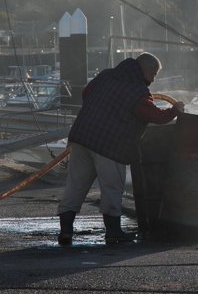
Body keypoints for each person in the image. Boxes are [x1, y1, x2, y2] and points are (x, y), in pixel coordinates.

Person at [57, 52, 185, 245]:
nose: (154, 78)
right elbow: (156, 116)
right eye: (153, 73)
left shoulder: (106, 74)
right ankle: (113, 231)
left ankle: (66, 230)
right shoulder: (137, 91)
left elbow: (85, 94)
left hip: (82, 137)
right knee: (112, 188)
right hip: (109, 145)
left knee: (75, 185)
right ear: (142, 69)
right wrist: (175, 110)